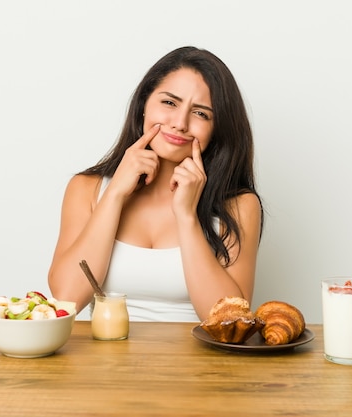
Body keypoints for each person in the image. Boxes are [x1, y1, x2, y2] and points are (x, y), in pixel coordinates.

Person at [48, 46, 263, 322]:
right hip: (105, 362)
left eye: (201, 114)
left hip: (202, 364)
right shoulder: (87, 189)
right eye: (170, 103)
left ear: (217, 130)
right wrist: (114, 194)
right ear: (143, 106)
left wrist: (186, 216)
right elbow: (67, 300)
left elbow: (229, 321)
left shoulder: (240, 206)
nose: (180, 123)